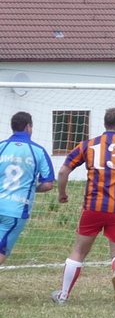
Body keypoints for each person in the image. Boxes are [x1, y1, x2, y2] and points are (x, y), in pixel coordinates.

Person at [52, 107, 115, 305]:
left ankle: (63, 295)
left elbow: (63, 171)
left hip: (93, 206)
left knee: (79, 251)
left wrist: (62, 193)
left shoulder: (88, 145)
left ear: (105, 124)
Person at [0, 112, 55, 266]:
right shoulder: (38, 151)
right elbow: (48, 184)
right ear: (28, 127)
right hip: (15, 210)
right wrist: (31, 189)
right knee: (2, 251)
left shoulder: (2, 146)